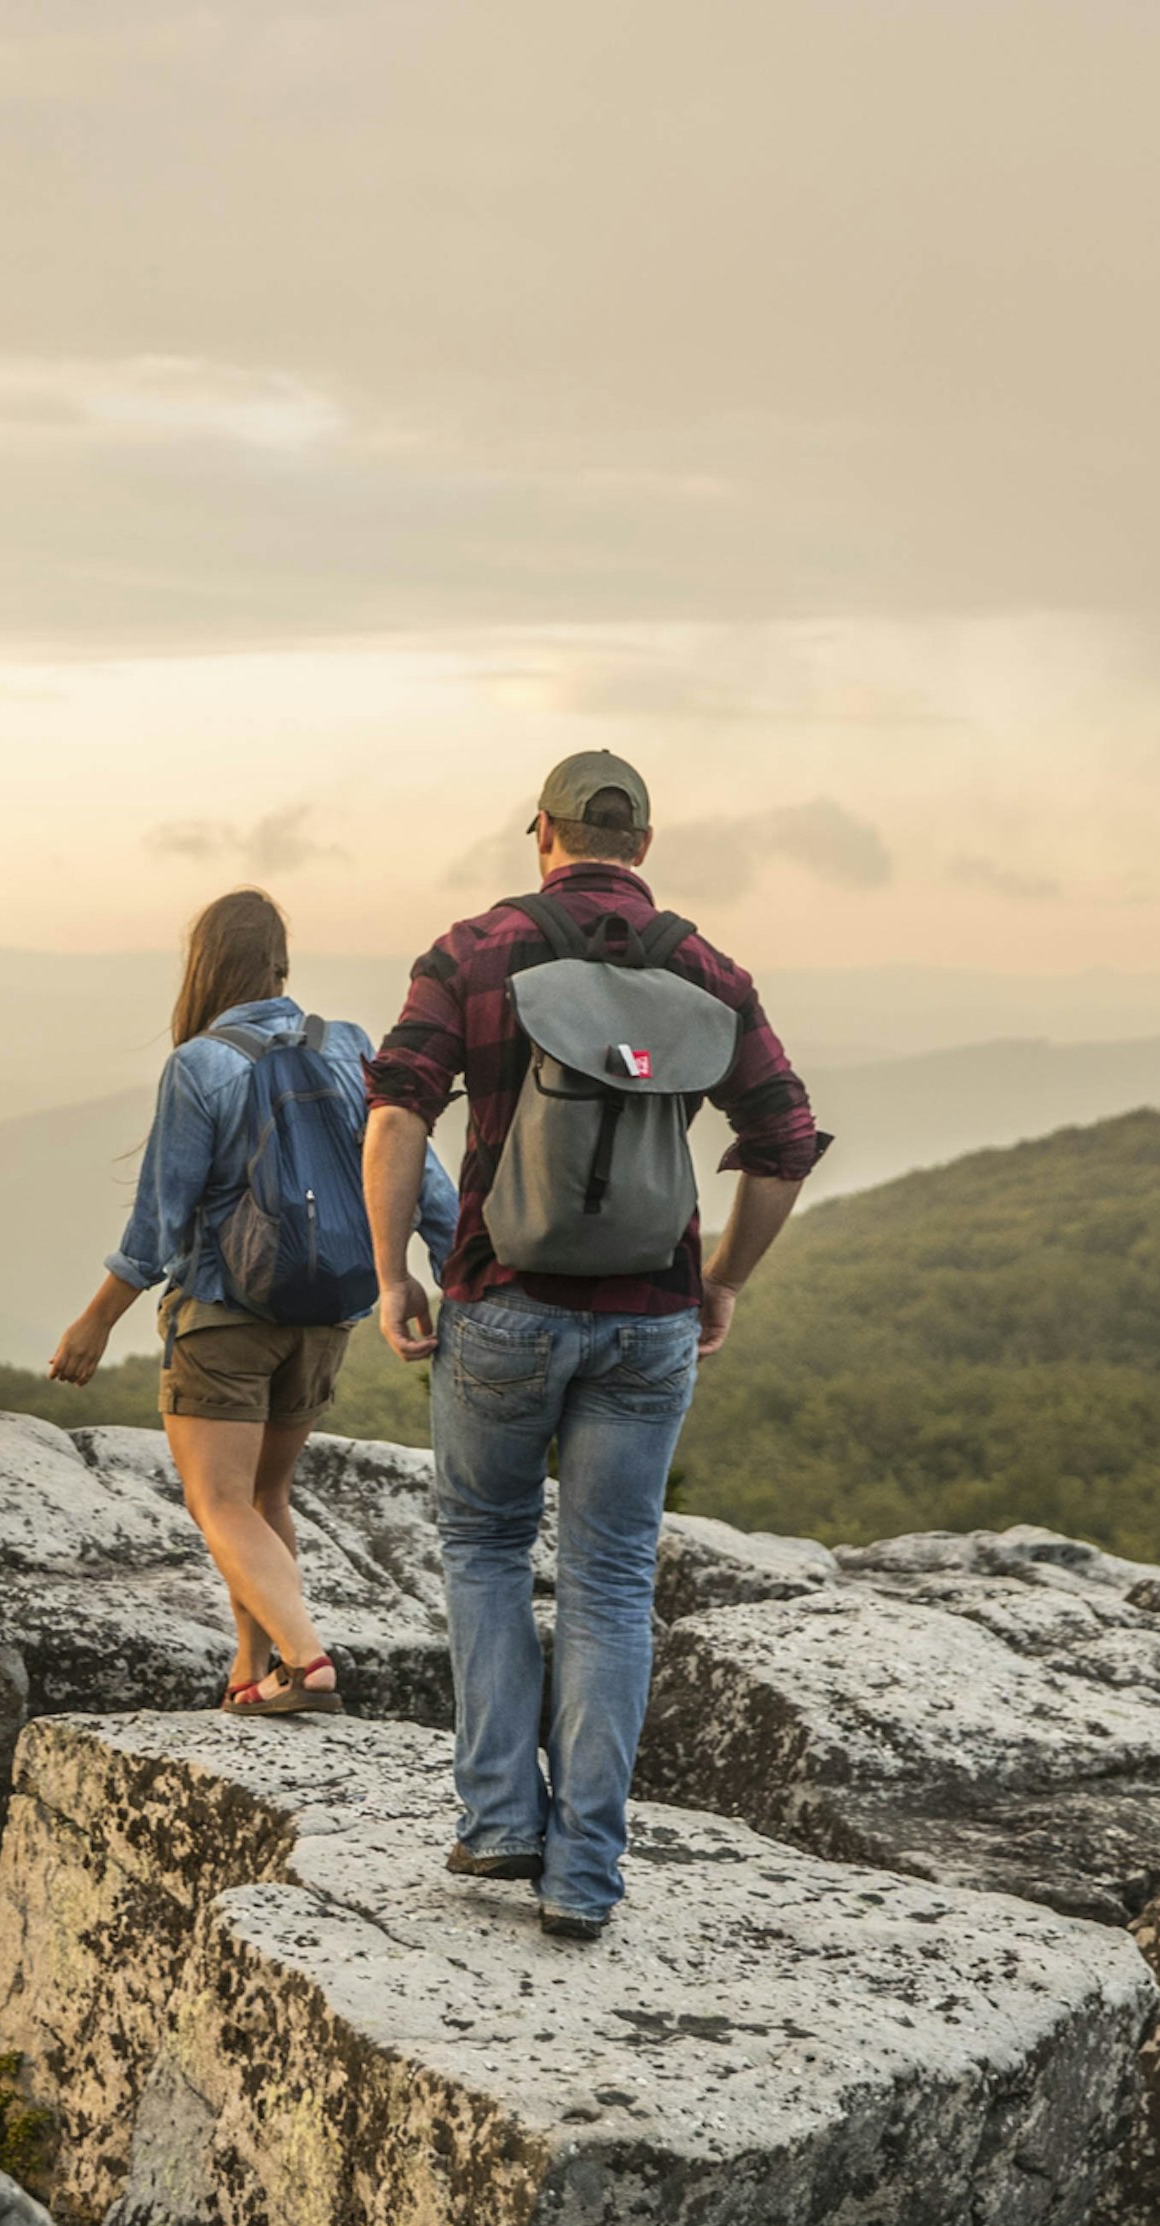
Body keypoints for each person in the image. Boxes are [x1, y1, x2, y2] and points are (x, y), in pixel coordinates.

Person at [360, 750, 827, 1938]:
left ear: (542, 835)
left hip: (502, 1300)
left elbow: (398, 1109)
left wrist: (392, 1274)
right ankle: (584, 1875)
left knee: (484, 1545)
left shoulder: (473, 949)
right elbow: (784, 1140)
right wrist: (722, 1280)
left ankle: (502, 1818)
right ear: (645, 846)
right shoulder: (703, 968)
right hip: (648, 1319)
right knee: (613, 1579)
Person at [51, 888, 459, 1711]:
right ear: (280, 963)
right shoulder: (347, 1046)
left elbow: (159, 1218)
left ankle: (305, 1662)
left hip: (224, 1317)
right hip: (323, 1314)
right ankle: (254, 1670)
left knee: (219, 1503)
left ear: (204, 967)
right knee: (265, 1498)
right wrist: (448, 1278)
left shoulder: (201, 1063)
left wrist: (96, 1320)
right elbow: (422, 1178)